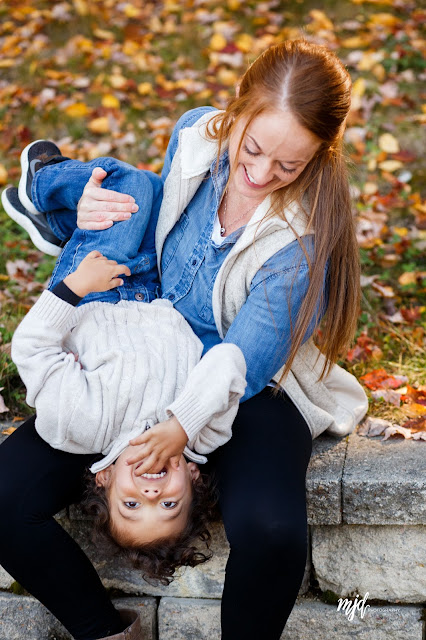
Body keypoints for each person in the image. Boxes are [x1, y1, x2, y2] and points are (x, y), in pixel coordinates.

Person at [0, 39, 368, 640]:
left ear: (320, 154)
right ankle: (106, 632)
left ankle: (336, 614)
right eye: (252, 148)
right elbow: (148, 225)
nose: (259, 173)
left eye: (288, 166)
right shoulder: (197, 134)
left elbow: (241, 361)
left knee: (270, 530)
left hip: (243, 381)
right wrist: (91, 209)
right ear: (237, 110)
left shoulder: (302, 242)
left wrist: (177, 425)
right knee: (4, 497)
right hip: (143, 348)